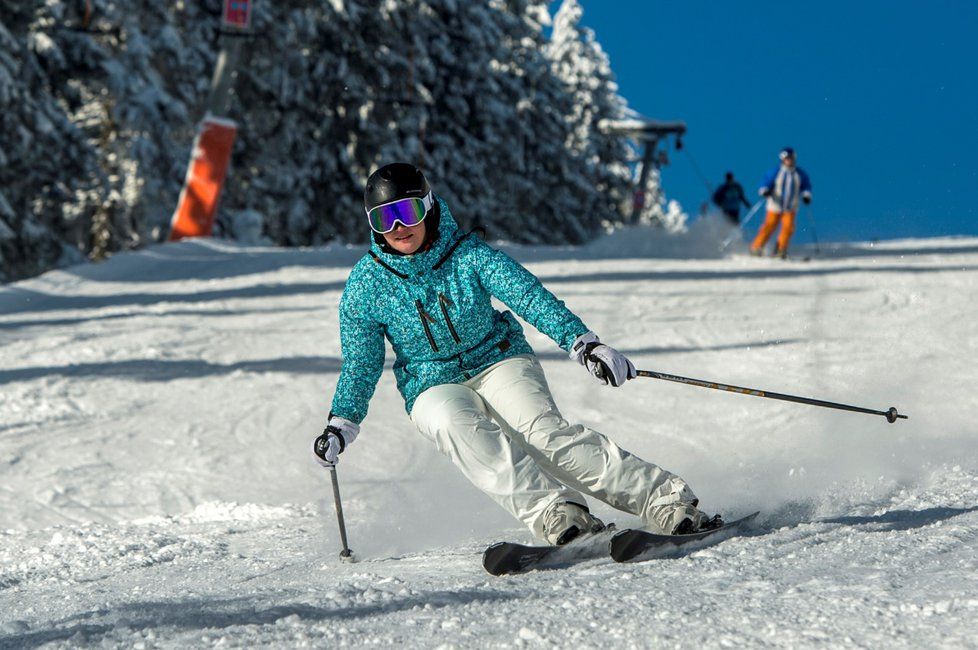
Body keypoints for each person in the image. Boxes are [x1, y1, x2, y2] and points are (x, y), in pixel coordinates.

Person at [313, 162, 722, 546]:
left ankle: (664, 500)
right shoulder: (366, 286)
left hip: (497, 359)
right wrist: (342, 423)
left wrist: (582, 342)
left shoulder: (468, 253)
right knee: (453, 424)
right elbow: (361, 361)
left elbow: (526, 295)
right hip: (429, 381)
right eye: (385, 218)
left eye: (408, 211)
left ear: (430, 208)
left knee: (543, 434)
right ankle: (557, 512)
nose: (400, 227)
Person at [750, 147, 813, 258]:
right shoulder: (776, 171)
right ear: (782, 160)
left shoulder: (799, 173)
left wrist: (806, 196)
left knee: (788, 227)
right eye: (786, 159)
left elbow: (806, 186)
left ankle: (780, 249)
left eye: (791, 158)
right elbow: (765, 182)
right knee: (769, 226)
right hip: (775, 205)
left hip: (791, 206)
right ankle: (756, 247)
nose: (789, 161)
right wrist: (764, 191)